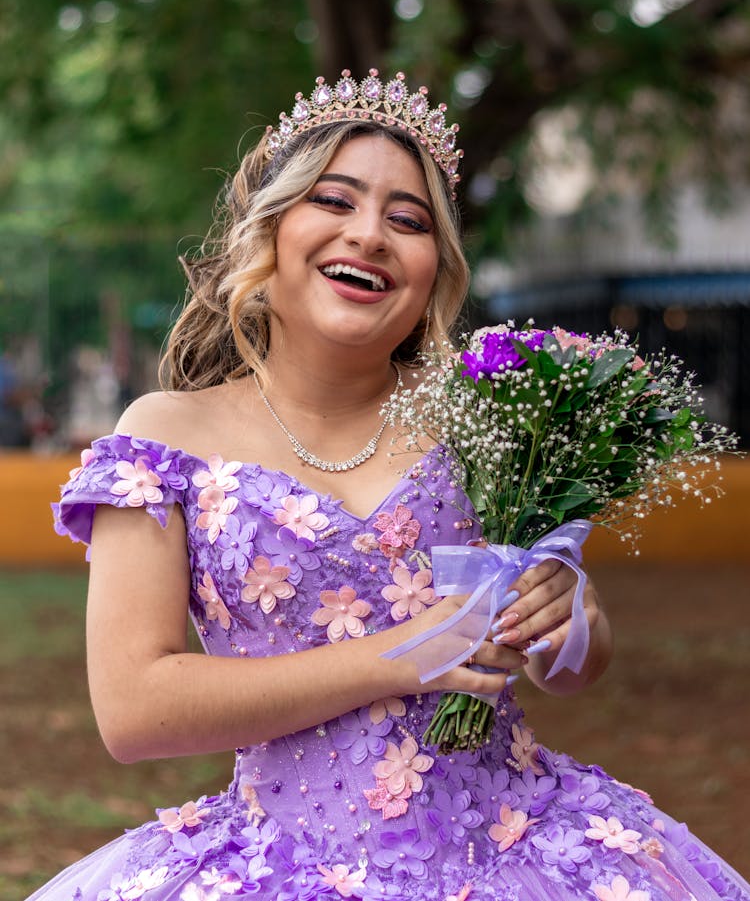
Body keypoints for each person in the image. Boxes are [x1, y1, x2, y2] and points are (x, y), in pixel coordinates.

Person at [36, 69, 748, 901]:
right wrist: (405, 656)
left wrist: (570, 617)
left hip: (513, 855)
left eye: (407, 220)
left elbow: (568, 661)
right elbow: (132, 710)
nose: (369, 234)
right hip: (278, 862)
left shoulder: (490, 419)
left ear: (433, 270)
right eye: (334, 202)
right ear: (270, 229)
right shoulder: (163, 436)